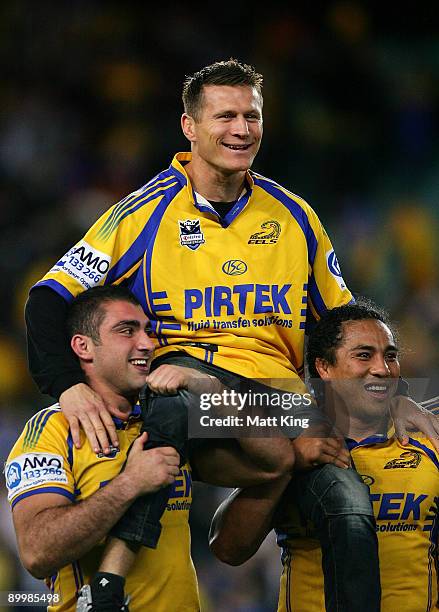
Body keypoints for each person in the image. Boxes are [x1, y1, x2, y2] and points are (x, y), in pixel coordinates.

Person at [24, 59, 438, 611]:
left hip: (279, 404)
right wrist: (64, 385)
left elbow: (343, 327)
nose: (242, 129)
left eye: (252, 116)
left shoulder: (294, 216)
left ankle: (274, 488)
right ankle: (110, 582)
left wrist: (392, 396)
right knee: (170, 404)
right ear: (189, 127)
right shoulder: (141, 215)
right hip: (195, 400)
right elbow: (48, 298)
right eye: (225, 116)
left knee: (349, 508)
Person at [209, 300, 439, 611]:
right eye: (363, 355)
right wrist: (287, 464)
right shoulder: (292, 446)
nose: (382, 369)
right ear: (324, 368)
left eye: (390, 357)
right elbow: (227, 548)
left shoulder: (428, 445)